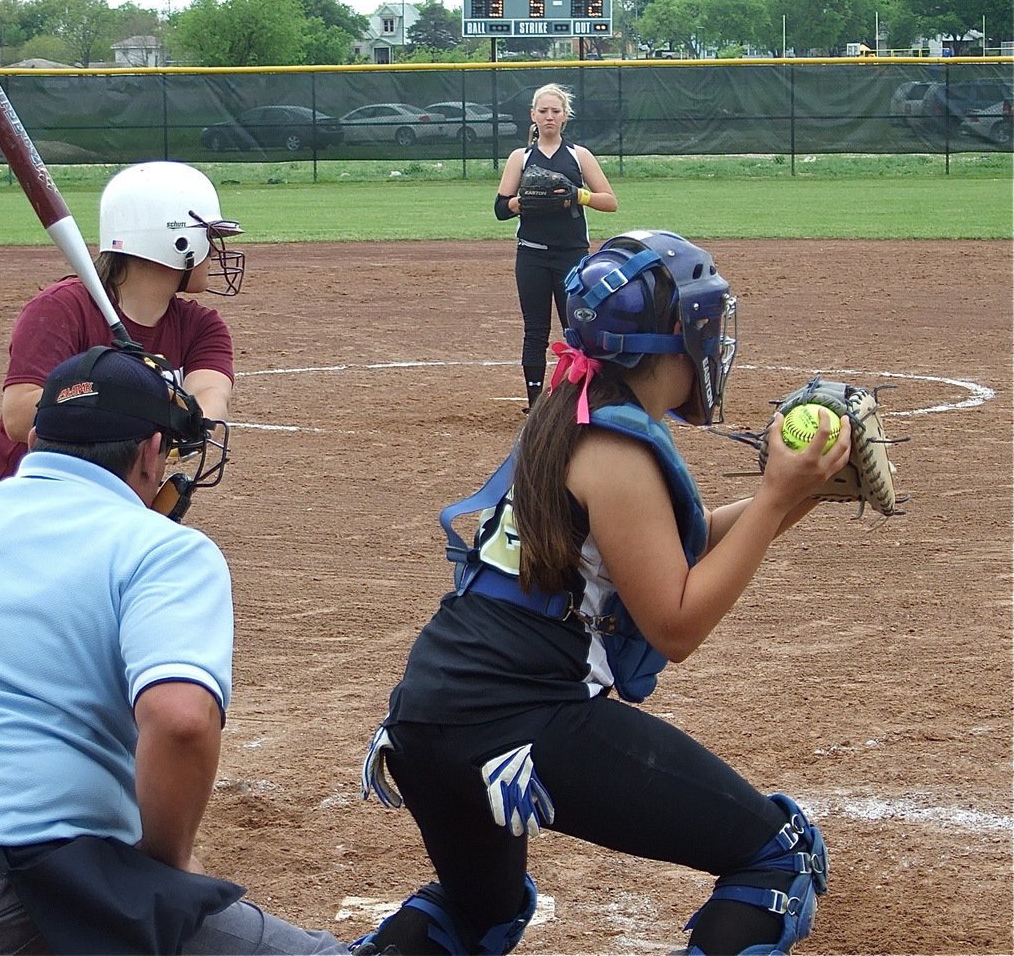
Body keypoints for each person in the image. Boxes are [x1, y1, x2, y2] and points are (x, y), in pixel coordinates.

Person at [358, 231, 843, 956]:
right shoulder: (615, 448)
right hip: (517, 718)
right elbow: (674, 622)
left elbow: (663, 550)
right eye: (705, 321)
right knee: (780, 855)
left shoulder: (577, 408)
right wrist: (773, 499)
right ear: (671, 337)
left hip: (431, 716)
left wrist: (795, 495)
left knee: (480, 909)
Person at [0, 345, 352, 955]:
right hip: (1, 890)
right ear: (151, 451)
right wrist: (162, 868)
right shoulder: (159, 548)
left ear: (38, 435)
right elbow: (180, 721)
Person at [0, 159, 244, 482]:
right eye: (208, 237)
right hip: (15, 489)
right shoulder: (63, 307)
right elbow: (18, 417)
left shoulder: (202, 327)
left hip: (112, 489)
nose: (214, 250)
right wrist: (135, 396)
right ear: (177, 241)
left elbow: (211, 397)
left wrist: (193, 417)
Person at [494, 83, 618, 411]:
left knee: (576, 329)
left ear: (565, 117)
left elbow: (610, 201)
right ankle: (534, 404)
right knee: (535, 330)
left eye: (556, 111)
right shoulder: (520, 158)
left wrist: (578, 195)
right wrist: (523, 202)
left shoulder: (579, 156)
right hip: (532, 254)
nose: (550, 117)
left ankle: (579, 399)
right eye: (543, 111)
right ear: (533, 116)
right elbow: (500, 208)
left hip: (572, 256)